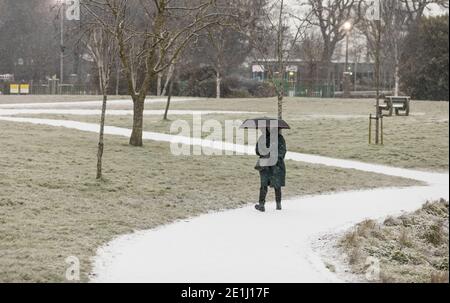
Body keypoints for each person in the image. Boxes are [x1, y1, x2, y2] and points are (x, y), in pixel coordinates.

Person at [254, 128, 286, 212]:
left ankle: (273, 205)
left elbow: (282, 152)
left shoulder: (278, 138)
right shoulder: (264, 138)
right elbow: (257, 151)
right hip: (270, 165)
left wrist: (272, 155)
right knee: (269, 184)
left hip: (272, 165)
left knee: (273, 184)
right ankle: (265, 205)